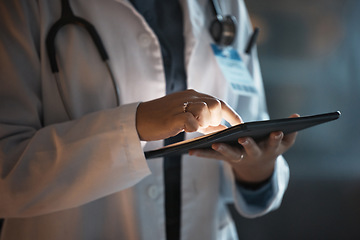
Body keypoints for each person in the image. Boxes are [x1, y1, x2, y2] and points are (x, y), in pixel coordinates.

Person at [0, 0, 297, 239]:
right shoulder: (22, 7)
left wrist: (257, 168)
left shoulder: (224, 5)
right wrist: (135, 124)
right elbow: (7, 171)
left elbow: (247, 121)